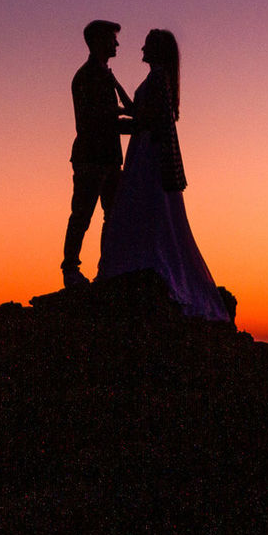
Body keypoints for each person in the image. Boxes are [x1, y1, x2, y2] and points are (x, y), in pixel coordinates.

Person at [97, 29, 228, 321]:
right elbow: (141, 113)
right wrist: (118, 95)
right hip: (146, 148)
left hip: (148, 152)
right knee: (149, 210)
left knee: (143, 207)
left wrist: (113, 121)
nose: (141, 48)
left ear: (156, 49)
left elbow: (145, 119)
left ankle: (145, 266)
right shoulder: (159, 78)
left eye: (147, 44)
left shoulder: (157, 79)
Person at [62, 19, 134, 288]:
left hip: (108, 158)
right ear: (99, 42)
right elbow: (96, 122)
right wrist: (139, 125)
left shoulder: (102, 75)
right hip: (92, 158)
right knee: (82, 215)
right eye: (112, 39)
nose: (117, 44)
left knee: (110, 216)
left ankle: (105, 269)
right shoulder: (89, 77)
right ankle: (71, 270)